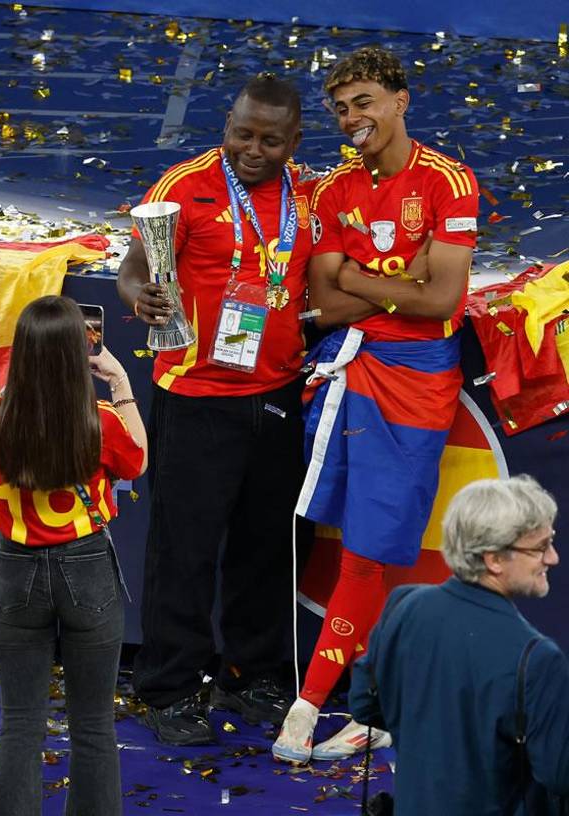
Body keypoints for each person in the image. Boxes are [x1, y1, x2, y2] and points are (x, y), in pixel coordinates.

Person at [273, 45, 480, 763]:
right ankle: (350, 698)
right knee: (344, 541)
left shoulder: (450, 182)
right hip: (346, 373)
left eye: (364, 102)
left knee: (369, 550)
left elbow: (444, 300)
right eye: (340, 108)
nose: (352, 118)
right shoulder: (333, 191)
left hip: (417, 384)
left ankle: (334, 702)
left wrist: (361, 280)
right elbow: (325, 299)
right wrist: (396, 283)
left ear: (400, 99)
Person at [116, 73, 314, 744]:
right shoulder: (185, 185)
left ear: (294, 140)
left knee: (266, 547)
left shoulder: (306, 194)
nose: (253, 149)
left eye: (270, 139)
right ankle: (170, 687)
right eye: (242, 134)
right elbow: (135, 266)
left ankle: (251, 672)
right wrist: (140, 296)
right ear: (225, 126)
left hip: (279, 392)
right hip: (196, 396)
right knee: (186, 551)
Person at [0, 295, 147, 815]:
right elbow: (136, 462)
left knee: (20, 723)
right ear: (81, 354)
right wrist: (121, 384)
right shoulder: (102, 420)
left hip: (16, 571)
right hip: (87, 568)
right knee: (92, 724)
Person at [350, 476, 569, 814]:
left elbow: (365, 705)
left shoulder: (403, 606)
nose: (553, 558)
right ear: (494, 559)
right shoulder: (538, 658)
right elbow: (560, 774)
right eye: (540, 547)